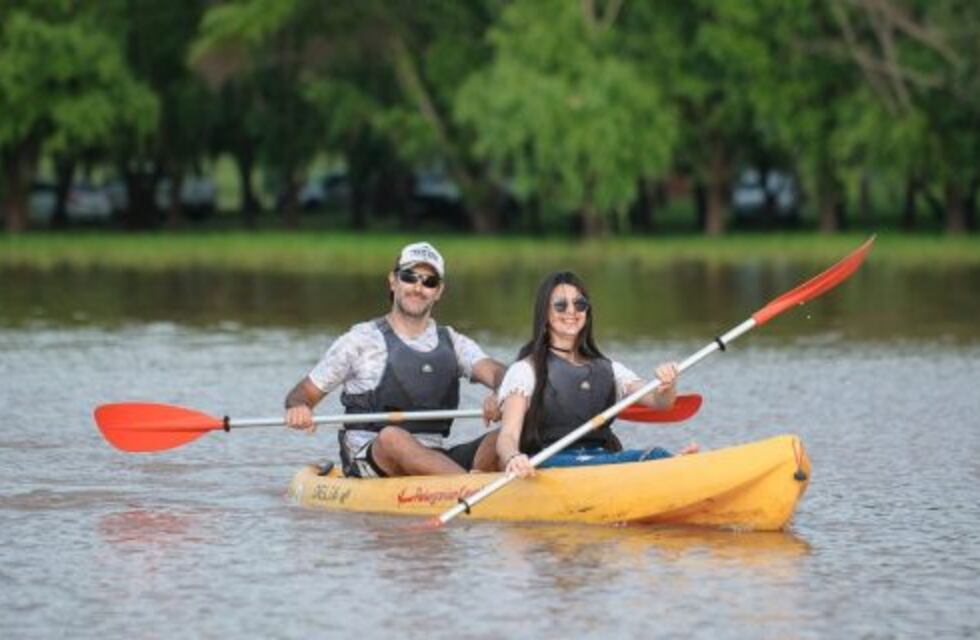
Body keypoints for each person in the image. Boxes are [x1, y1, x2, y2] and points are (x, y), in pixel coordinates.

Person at [284, 241, 506, 478]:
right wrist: (299, 407)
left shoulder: (454, 342)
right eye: (409, 277)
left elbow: (498, 372)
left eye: (429, 281)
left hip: (435, 456)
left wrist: (502, 391)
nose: (418, 288)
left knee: (508, 436)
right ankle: (470, 488)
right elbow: (304, 392)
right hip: (372, 459)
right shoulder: (360, 340)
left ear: (439, 291)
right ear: (393, 280)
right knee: (393, 437)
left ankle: (481, 488)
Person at [496, 271, 698, 478]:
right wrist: (513, 457)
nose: (571, 311)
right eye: (560, 305)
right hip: (547, 462)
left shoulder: (609, 369)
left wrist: (667, 384)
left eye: (579, 304)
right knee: (653, 455)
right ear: (545, 314)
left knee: (653, 455)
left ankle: (673, 469)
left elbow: (661, 402)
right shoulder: (524, 371)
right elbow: (508, 435)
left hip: (600, 457)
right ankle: (672, 468)